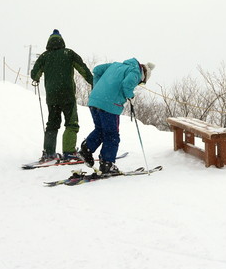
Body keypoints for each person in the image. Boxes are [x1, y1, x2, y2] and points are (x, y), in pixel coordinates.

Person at [78, 58, 154, 174]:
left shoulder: (116, 65)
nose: (139, 83)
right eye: (142, 82)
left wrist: (98, 87)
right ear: (144, 75)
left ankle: (86, 149)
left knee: (101, 130)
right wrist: (131, 96)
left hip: (94, 100)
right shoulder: (136, 72)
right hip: (110, 104)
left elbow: (97, 70)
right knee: (112, 135)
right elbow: (127, 85)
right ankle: (107, 164)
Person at [30, 29, 94, 163]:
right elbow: (82, 69)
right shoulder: (68, 53)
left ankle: (49, 153)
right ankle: (69, 152)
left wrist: (37, 77)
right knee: (71, 123)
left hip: (51, 96)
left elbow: (34, 74)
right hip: (67, 94)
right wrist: (93, 82)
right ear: (62, 41)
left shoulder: (44, 56)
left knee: (52, 124)